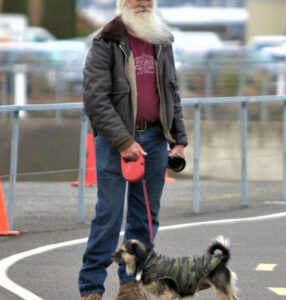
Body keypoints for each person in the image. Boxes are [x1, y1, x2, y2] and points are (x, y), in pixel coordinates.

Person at [78, 0, 187, 299]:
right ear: (121, 3)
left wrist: (179, 139)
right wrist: (125, 142)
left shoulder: (161, 40)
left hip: (154, 138)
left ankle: (130, 284)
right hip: (116, 143)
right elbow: (95, 99)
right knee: (109, 215)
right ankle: (91, 288)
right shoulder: (106, 41)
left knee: (145, 218)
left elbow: (171, 92)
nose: (142, 2)